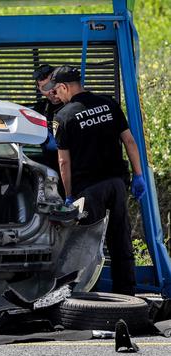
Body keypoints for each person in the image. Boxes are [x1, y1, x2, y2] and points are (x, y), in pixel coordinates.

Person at [42, 65, 146, 295]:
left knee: (88, 243)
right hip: (117, 183)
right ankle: (127, 294)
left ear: (64, 87)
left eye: (56, 91)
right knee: (121, 238)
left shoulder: (64, 116)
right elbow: (129, 141)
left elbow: (64, 163)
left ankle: (90, 296)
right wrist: (139, 176)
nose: (55, 96)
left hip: (88, 190)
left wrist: (69, 195)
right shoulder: (108, 103)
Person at [32, 64, 64, 172]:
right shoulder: (39, 110)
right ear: (39, 89)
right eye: (45, 87)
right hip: (52, 168)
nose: (51, 90)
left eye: (53, 84)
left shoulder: (76, 104)